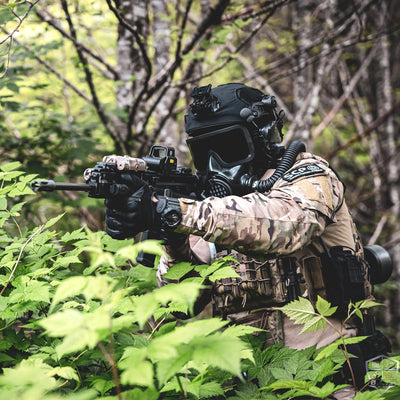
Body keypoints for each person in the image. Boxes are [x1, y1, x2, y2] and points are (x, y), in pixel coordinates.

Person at [104, 83, 384, 399]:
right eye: (204, 151)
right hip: (243, 387)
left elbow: (285, 226)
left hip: (328, 380)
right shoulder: (202, 205)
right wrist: (173, 242)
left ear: (261, 137)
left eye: (228, 146)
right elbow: (172, 313)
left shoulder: (310, 175)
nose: (215, 164)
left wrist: (173, 212)